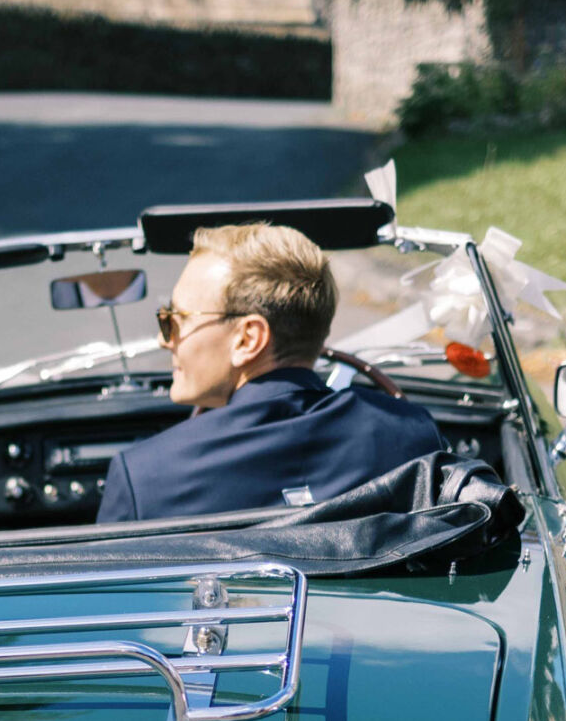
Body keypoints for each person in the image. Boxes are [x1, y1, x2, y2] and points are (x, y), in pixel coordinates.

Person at [96, 220, 447, 524]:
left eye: (174, 320)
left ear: (248, 339)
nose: (164, 340)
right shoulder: (412, 435)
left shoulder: (144, 477)